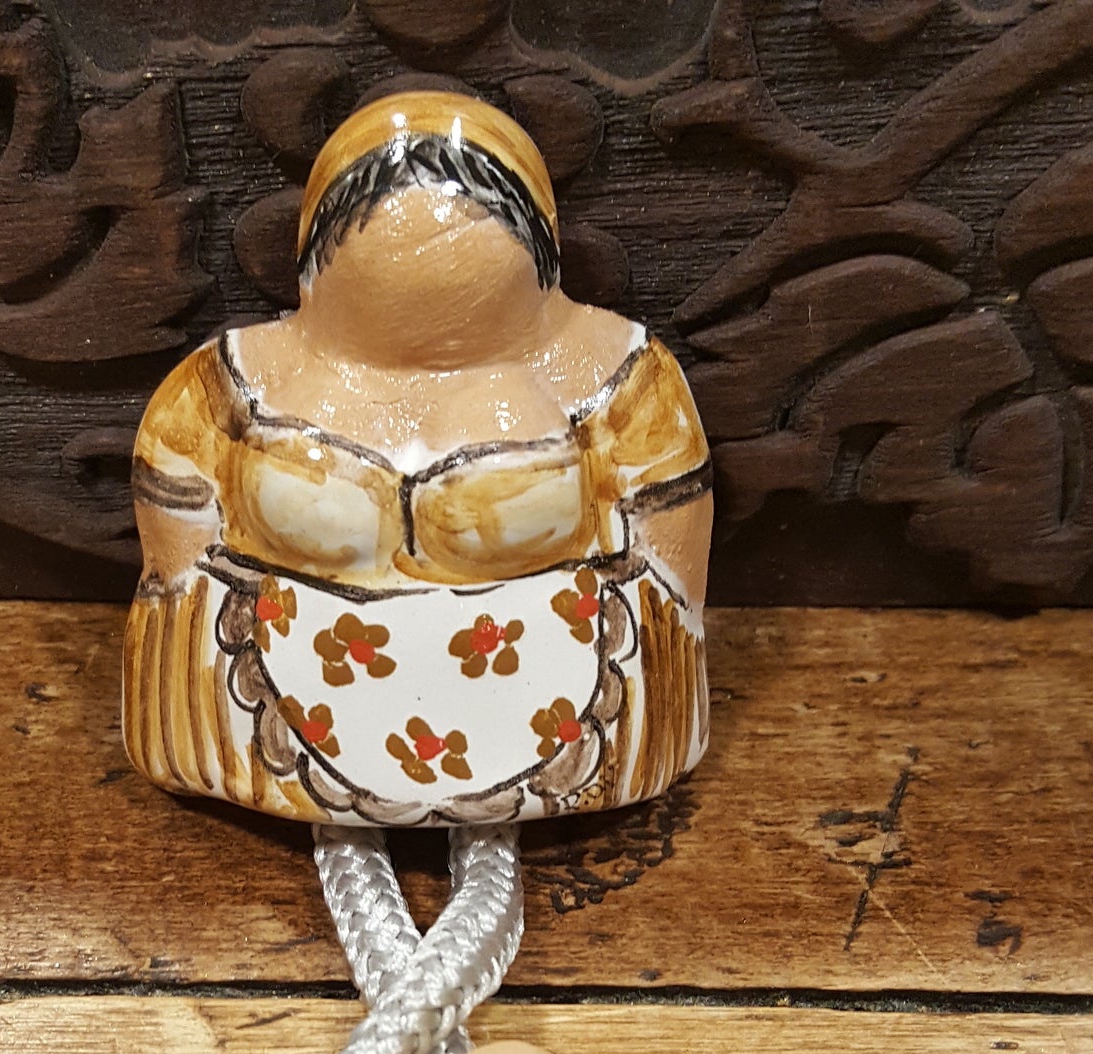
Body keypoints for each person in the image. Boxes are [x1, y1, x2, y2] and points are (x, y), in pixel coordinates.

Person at [123, 91, 711, 828]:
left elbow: (674, 577)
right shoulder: (228, 389)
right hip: (276, 702)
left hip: (560, 710)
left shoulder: (621, 381)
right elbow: (172, 563)